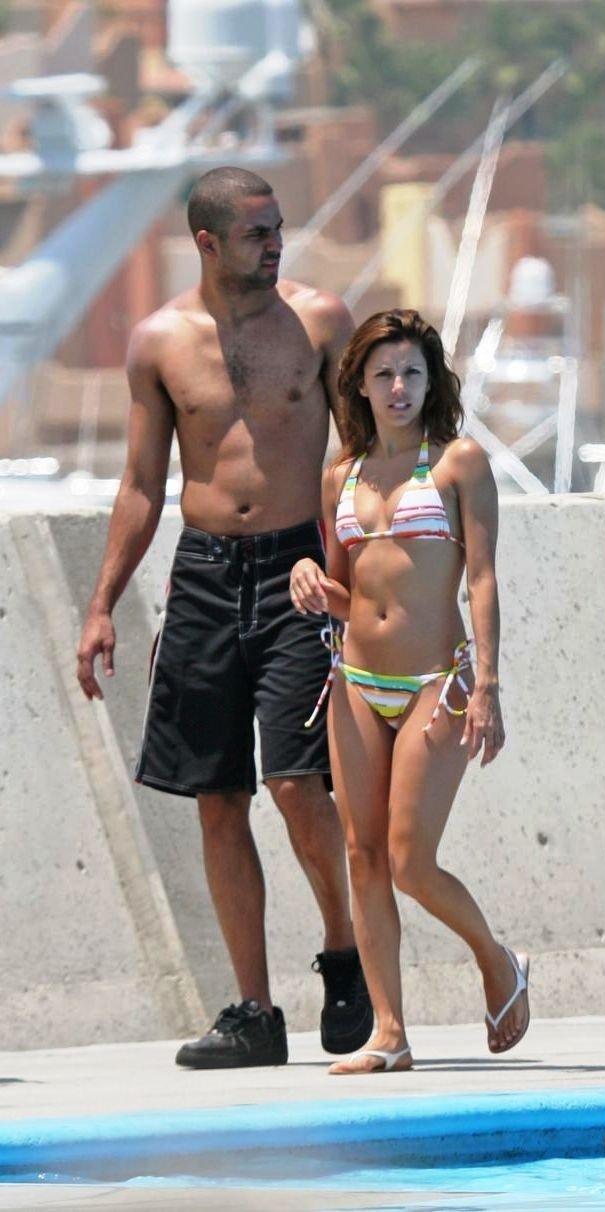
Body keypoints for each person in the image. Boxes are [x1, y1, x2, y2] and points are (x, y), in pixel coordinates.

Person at [76, 166, 373, 1069]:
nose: (275, 243)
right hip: (204, 575)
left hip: (298, 572)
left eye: (277, 227)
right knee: (217, 796)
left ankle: (345, 955)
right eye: (256, 232)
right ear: (207, 243)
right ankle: (253, 1013)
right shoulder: (158, 342)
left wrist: (355, 577)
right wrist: (102, 604)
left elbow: (360, 460)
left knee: (296, 782)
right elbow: (141, 485)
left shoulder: (320, 321)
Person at [289, 308, 529, 1074]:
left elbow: (482, 578)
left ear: (431, 382)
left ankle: (494, 957)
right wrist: (308, 578)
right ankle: (389, 1034)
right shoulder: (341, 476)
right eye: (384, 374)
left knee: (408, 862)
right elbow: (346, 592)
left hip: (437, 682)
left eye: (412, 374)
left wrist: (486, 683)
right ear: (359, 384)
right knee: (361, 855)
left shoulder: (457, 463)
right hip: (355, 682)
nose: (398, 387)